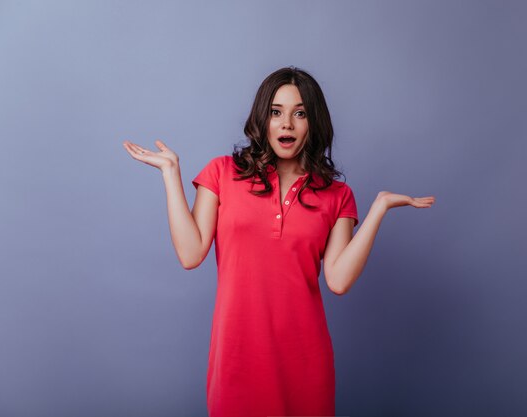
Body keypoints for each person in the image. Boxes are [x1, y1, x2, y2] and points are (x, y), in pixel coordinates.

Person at [122, 66, 435, 417]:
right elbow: (191, 253)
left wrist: (378, 208)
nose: (286, 123)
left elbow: (338, 280)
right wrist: (171, 175)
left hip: (305, 365)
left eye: (299, 113)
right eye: (276, 112)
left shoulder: (337, 195)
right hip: (237, 363)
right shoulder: (222, 173)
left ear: (313, 123)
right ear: (263, 119)